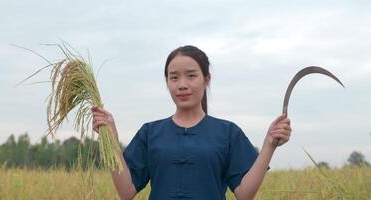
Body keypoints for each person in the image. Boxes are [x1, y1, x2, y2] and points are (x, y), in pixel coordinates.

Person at [91, 45, 291, 200]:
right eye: (174, 78)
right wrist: (111, 139)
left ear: (207, 79)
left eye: (191, 76)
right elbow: (126, 192)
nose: (182, 85)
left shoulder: (228, 132)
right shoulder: (150, 133)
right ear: (167, 82)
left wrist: (269, 145)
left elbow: (244, 194)